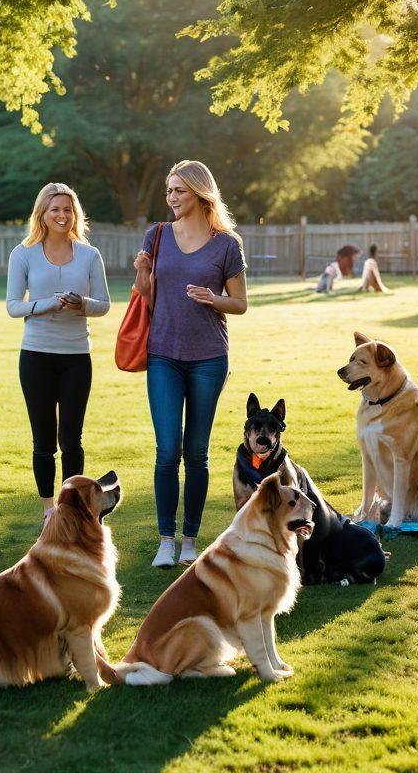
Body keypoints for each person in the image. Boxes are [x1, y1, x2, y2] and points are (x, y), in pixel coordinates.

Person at [133, 160, 248, 569]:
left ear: (200, 194)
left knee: (196, 452)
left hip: (208, 359)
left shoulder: (226, 245)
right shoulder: (157, 235)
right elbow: (148, 299)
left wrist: (212, 299)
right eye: (169, 190)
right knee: (168, 450)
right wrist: (143, 274)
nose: (171, 198)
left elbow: (241, 304)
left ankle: (189, 540)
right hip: (163, 353)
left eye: (179, 191)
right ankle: (165, 539)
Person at [6, 183, 111, 526]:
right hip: (36, 356)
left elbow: (105, 305)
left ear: (75, 214)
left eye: (67, 209)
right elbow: (12, 307)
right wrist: (46, 304)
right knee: (43, 440)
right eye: (55, 210)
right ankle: (48, 507)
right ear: (42, 214)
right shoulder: (23, 253)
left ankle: (72, 505)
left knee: (72, 438)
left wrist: (82, 304)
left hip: (76, 357)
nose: (62, 215)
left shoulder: (89, 255)